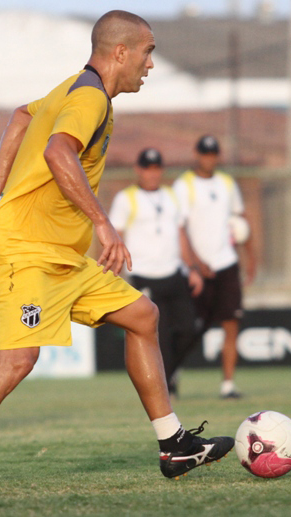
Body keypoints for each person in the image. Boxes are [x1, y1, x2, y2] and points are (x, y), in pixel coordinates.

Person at [0, 10, 234, 492]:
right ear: (120, 52)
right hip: (24, 251)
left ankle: (175, 445)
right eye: (147, 52)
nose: (149, 64)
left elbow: (22, 116)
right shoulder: (90, 98)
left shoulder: (74, 89)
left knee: (142, 315)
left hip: (59, 256)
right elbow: (58, 151)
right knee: (17, 360)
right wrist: (103, 223)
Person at [108, 147, 203, 398]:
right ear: (138, 170)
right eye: (147, 169)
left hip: (173, 271)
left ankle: (169, 375)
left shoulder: (171, 196)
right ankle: (165, 386)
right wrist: (115, 273)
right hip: (143, 274)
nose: (152, 174)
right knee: (159, 332)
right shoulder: (125, 198)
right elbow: (115, 236)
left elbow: (181, 233)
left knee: (188, 329)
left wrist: (192, 268)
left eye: (156, 169)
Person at [173, 135, 257, 400]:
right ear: (196, 154)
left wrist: (250, 258)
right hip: (197, 270)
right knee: (191, 328)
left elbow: (240, 224)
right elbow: (180, 228)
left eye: (213, 154)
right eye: (205, 153)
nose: (209, 158)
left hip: (226, 263)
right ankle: (173, 374)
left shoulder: (227, 184)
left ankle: (228, 385)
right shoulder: (183, 185)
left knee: (231, 323)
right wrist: (195, 264)